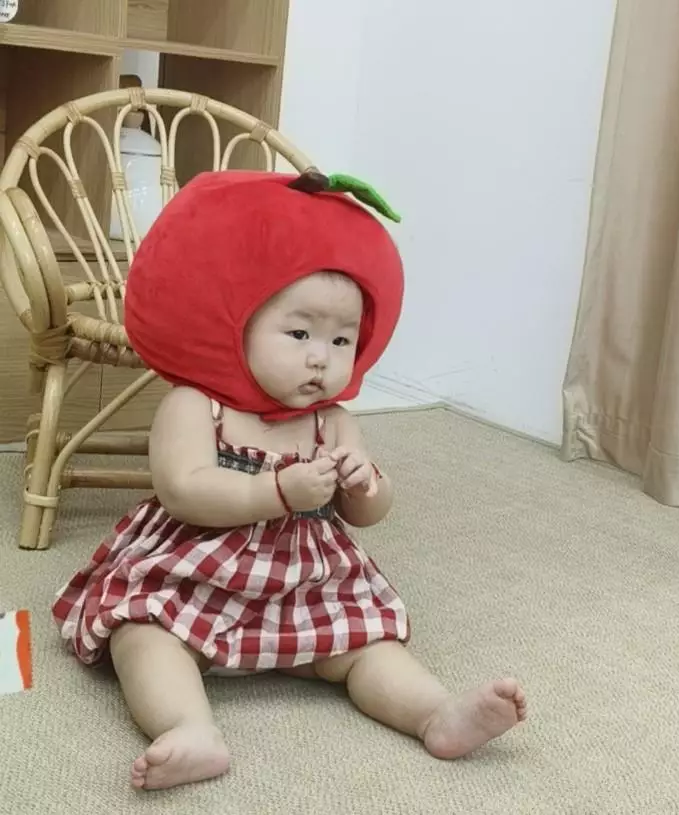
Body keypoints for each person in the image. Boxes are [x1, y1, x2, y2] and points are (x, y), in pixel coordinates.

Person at [51, 170, 527, 792]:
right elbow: (182, 490)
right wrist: (273, 493)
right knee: (142, 634)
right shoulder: (196, 405)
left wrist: (366, 484)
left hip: (305, 586)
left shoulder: (333, 420)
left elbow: (368, 514)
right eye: (299, 333)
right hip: (196, 574)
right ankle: (188, 727)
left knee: (369, 645)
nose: (320, 357)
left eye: (341, 340)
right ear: (238, 324)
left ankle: (435, 714)